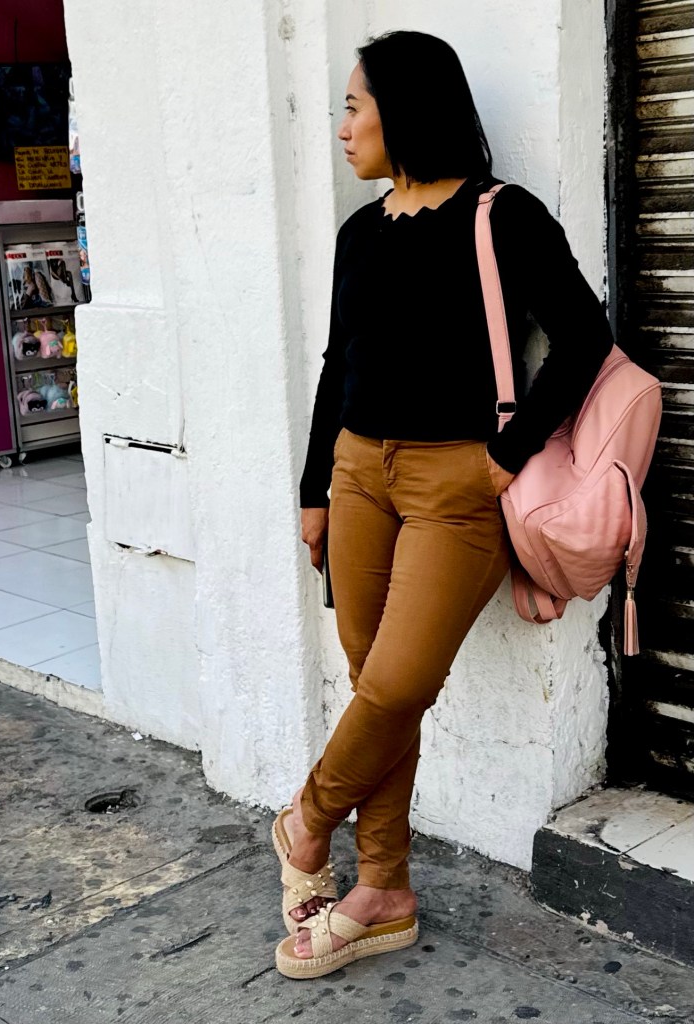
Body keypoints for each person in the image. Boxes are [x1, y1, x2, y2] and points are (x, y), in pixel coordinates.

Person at [273, 30, 614, 979]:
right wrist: (314, 490)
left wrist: (509, 451)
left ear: (406, 109)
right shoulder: (359, 233)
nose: (343, 127)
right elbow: (338, 366)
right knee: (372, 685)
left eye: (354, 106)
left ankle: (306, 818)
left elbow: (585, 337)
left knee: (397, 685)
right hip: (356, 475)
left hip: (453, 489)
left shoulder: (503, 217)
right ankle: (383, 889)